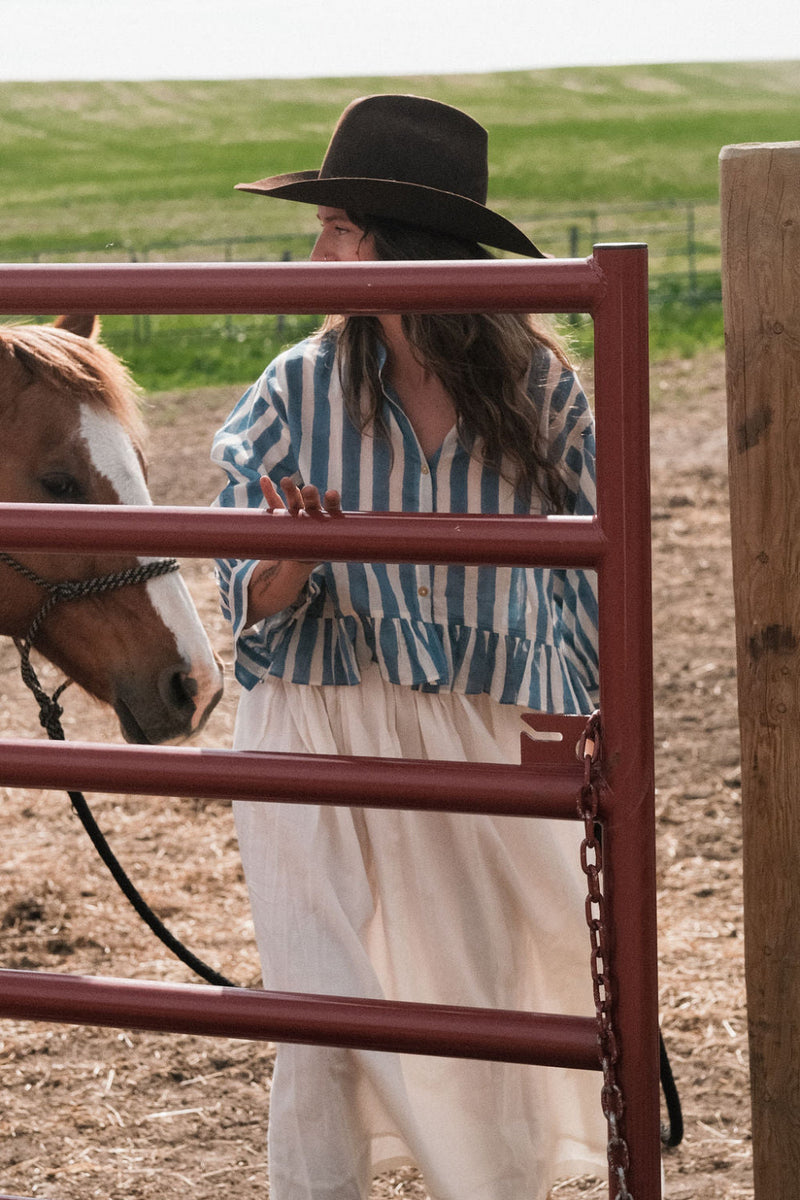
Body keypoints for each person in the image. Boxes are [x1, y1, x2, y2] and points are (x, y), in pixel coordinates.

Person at [212, 93, 605, 1200]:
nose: (315, 250)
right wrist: (290, 554)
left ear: (397, 246)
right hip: (314, 710)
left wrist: (572, 714)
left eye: (334, 229)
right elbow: (242, 584)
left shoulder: (540, 393)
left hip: (471, 718)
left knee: (477, 992)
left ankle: (494, 1187)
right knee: (319, 1001)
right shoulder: (295, 387)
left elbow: (588, 565)